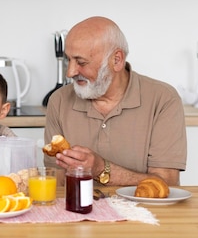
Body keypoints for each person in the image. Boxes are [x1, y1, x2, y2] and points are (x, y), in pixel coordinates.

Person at [43, 16, 186, 186]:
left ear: (116, 60)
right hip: (78, 211)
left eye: (81, 62)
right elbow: (55, 181)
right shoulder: (59, 101)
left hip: (144, 212)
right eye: (69, 60)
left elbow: (167, 183)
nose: (70, 72)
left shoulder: (163, 99)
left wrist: (101, 169)